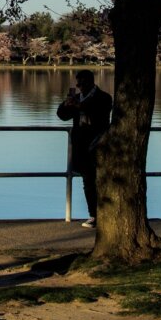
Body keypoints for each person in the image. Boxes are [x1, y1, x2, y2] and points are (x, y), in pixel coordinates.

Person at [56, 69, 112, 227]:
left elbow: (101, 116)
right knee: (88, 180)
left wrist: (80, 106)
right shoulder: (76, 98)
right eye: (78, 83)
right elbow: (62, 116)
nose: (79, 86)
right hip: (81, 145)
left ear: (90, 81)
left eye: (82, 83)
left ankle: (106, 213)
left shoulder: (104, 97)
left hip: (99, 143)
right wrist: (67, 105)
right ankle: (94, 215)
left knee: (102, 180)